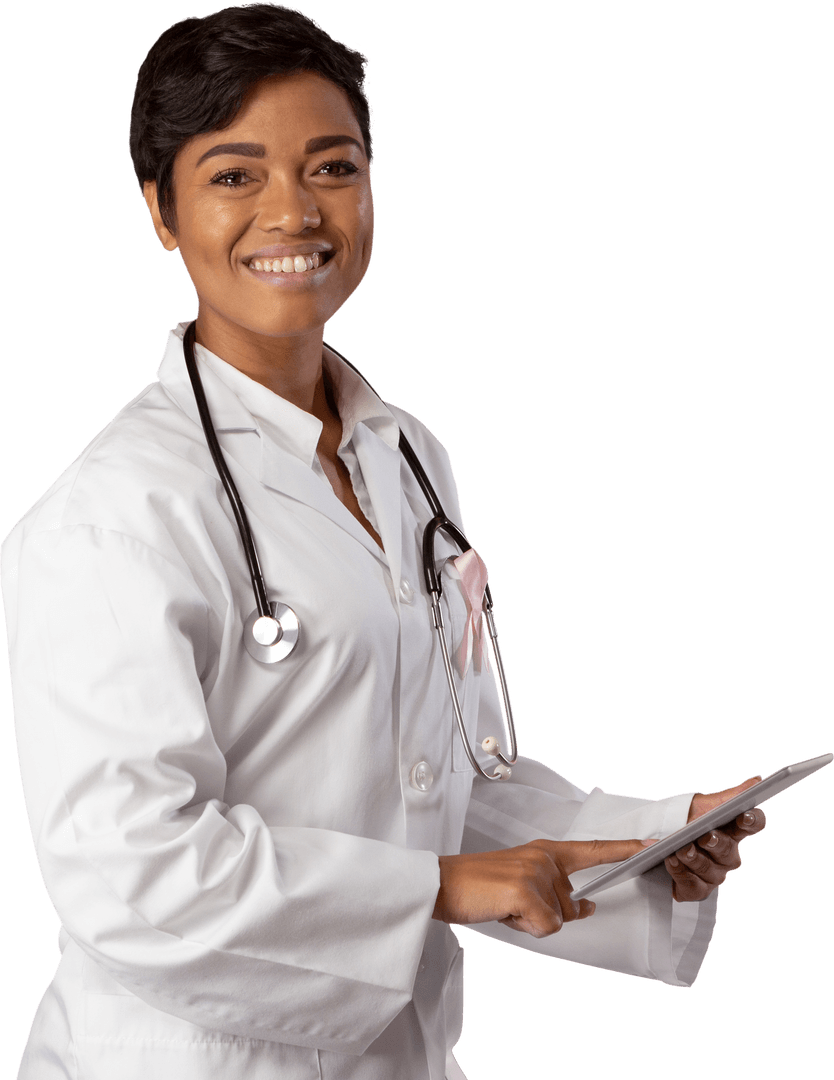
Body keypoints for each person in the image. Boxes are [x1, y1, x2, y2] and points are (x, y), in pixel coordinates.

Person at [2, 5, 766, 1079]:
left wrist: (652, 838)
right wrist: (440, 887)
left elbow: (436, 777)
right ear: (160, 210)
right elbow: (132, 872)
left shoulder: (407, 459)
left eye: (333, 166)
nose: (292, 210)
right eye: (234, 175)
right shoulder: (111, 515)